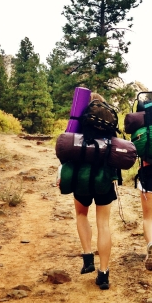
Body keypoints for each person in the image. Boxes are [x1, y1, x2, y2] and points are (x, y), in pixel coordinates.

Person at [56, 92, 116, 290]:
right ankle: (104, 273)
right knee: (104, 224)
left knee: (81, 215)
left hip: (80, 178)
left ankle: (88, 256)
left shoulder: (78, 123)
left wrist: (60, 175)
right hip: (103, 180)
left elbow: (64, 153)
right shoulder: (108, 124)